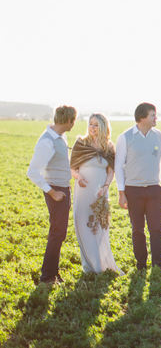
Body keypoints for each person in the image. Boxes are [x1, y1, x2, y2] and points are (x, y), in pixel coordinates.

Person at [27, 105, 77, 284]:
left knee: (59, 233)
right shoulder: (47, 141)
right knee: (57, 233)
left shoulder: (61, 136)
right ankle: (47, 277)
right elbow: (32, 172)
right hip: (56, 190)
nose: (74, 124)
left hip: (63, 189)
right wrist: (52, 192)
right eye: (74, 120)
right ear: (69, 121)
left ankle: (53, 272)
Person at [115, 102, 161, 270]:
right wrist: (121, 192)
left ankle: (158, 264)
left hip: (154, 189)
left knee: (156, 229)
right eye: (153, 115)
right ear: (142, 117)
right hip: (133, 190)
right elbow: (118, 166)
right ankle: (141, 264)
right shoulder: (125, 137)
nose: (156, 118)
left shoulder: (159, 136)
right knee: (137, 229)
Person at [69, 113, 122, 274]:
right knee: (83, 227)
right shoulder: (81, 143)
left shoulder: (109, 147)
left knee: (99, 227)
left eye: (96, 125)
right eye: (90, 124)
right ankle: (88, 266)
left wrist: (105, 187)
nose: (92, 128)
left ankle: (100, 264)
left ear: (103, 127)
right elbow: (72, 167)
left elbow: (111, 171)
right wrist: (78, 177)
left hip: (100, 193)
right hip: (83, 191)